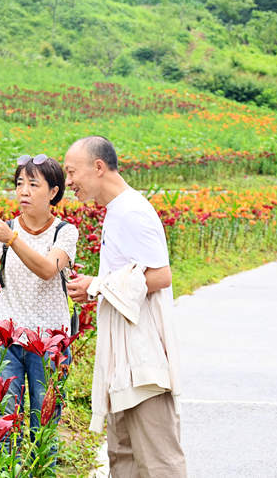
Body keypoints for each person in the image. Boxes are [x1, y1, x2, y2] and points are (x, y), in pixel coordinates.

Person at [64, 136, 187, 477]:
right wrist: (96, 285)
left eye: (72, 172)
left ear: (98, 167)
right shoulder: (118, 211)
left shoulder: (131, 211)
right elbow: (132, 275)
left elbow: (160, 275)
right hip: (125, 364)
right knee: (125, 461)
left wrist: (98, 285)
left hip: (142, 360)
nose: (69, 181)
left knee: (159, 462)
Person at [0, 153, 79, 444]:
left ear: (54, 192)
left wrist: (11, 240)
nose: (24, 191)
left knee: (43, 428)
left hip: (48, 343)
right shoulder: (7, 229)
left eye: (33, 184)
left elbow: (46, 270)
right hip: (6, 340)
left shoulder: (65, 233)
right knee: (3, 428)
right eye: (19, 183)